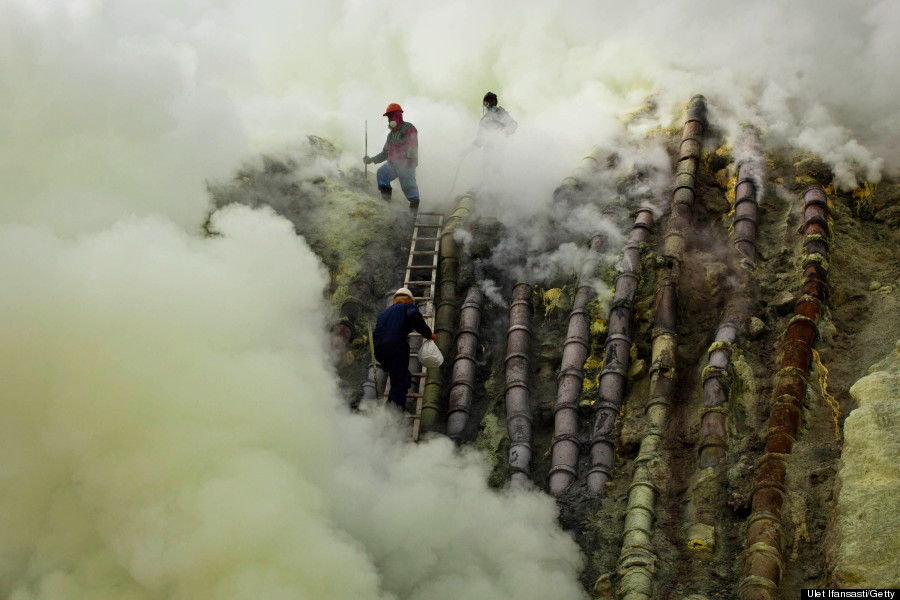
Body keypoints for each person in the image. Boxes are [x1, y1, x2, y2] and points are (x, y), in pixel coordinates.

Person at [373, 287, 436, 412]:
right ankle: (396, 411)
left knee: (400, 375)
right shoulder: (408, 308)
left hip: (378, 349)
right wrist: (429, 334)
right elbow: (414, 316)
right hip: (395, 345)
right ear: (409, 300)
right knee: (400, 379)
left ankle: (392, 405)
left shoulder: (385, 313)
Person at [364, 103, 420, 213]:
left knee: (408, 184)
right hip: (393, 163)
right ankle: (386, 205)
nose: (389, 119)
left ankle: (413, 209)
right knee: (382, 173)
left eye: (390, 116)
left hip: (406, 162)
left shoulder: (409, 128)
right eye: (388, 117)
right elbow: (385, 152)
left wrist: (409, 159)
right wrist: (372, 160)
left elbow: (413, 144)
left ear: (397, 116)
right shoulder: (391, 135)